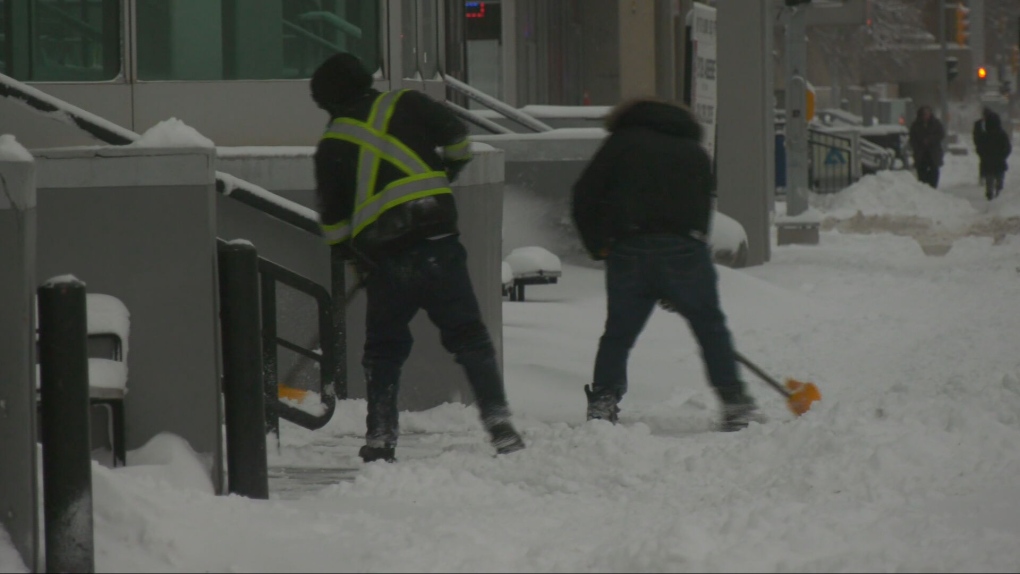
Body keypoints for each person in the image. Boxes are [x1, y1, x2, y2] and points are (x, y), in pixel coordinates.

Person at [310, 53, 525, 462]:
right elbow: (459, 142)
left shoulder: (332, 145)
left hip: (386, 260)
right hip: (439, 243)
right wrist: (442, 176)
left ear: (330, 101)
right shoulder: (406, 103)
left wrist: (352, 256)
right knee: (470, 338)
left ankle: (380, 438)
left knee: (384, 350)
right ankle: (499, 424)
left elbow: (334, 224)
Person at [570, 97, 763, 432]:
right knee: (710, 329)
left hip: (629, 249)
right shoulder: (694, 152)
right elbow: (702, 208)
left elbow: (584, 197)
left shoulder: (620, 144)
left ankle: (603, 402)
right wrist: (680, 276)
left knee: (618, 333)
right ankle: (734, 402)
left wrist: (598, 245)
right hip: (685, 250)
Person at [972, 107, 1012, 200]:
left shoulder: (985, 135)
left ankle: (990, 194)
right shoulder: (1002, 134)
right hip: (999, 161)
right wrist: (1003, 156)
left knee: (989, 179)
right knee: (999, 178)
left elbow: (979, 147)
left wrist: (983, 156)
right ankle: (998, 192)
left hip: (988, 162)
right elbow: (1007, 147)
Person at [908, 105, 946, 189]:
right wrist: (918, 145)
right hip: (921, 153)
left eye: (928, 114)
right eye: (924, 114)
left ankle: (933, 187)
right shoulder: (916, 125)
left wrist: (930, 139)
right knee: (922, 172)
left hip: (933, 152)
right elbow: (912, 138)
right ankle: (924, 188)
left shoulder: (936, 123)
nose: (926, 116)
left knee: (934, 171)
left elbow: (941, 134)